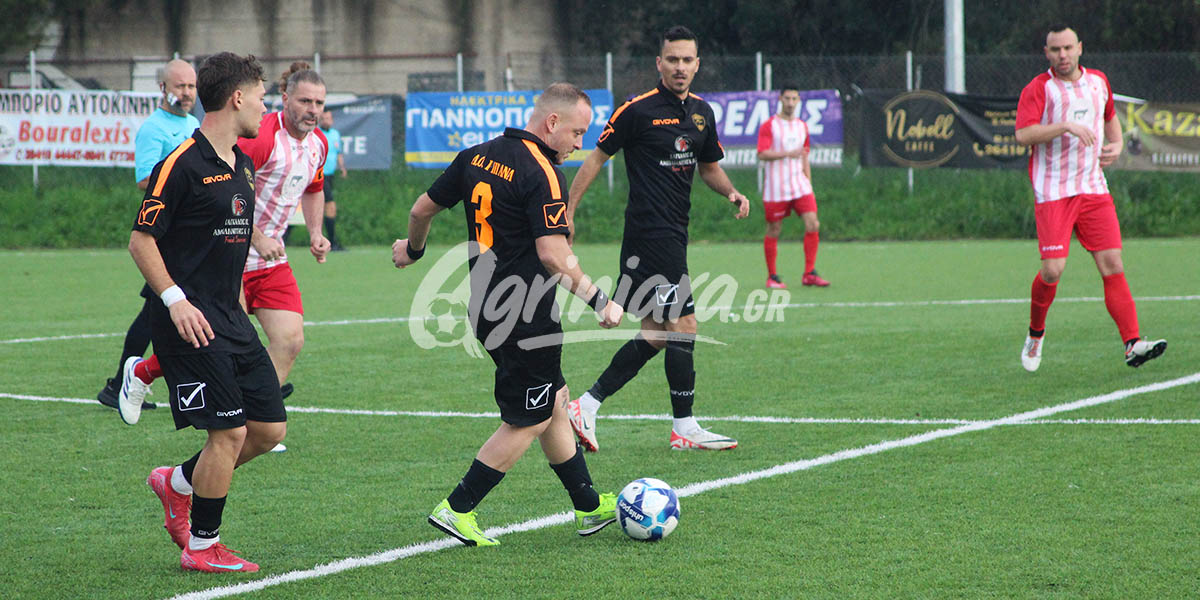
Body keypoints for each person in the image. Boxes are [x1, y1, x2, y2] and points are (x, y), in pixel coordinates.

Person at [393, 83, 624, 546]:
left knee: (553, 401)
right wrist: (600, 300)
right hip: (525, 316)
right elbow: (553, 254)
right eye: (577, 132)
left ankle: (587, 505)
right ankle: (457, 508)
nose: (579, 144)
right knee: (528, 418)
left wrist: (413, 250)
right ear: (552, 123)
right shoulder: (543, 171)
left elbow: (420, 211)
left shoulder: (475, 155)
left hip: (485, 306)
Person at [119, 62, 332, 444]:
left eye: (319, 103)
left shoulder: (319, 145)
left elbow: (314, 190)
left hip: (271, 260)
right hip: (230, 255)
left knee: (289, 340)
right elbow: (227, 193)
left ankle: (257, 420)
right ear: (285, 99)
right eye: (305, 101)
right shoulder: (258, 139)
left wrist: (315, 233)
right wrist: (256, 237)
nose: (312, 110)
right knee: (215, 341)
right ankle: (156, 381)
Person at [564, 26, 749, 452]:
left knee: (658, 332)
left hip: (674, 233)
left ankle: (586, 405)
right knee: (684, 325)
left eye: (687, 60)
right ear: (659, 63)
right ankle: (684, 427)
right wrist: (568, 212)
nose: (679, 67)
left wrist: (732, 192)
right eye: (672, 59)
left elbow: (709, 168)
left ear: (697, 65)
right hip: (650, 235)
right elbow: (594, 160)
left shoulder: (702, 113)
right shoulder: (636, 111)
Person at [130, 51, 278, 573]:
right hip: (187, 322)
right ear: (237, 98)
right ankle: (201, 546)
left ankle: (176, 483)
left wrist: (240, 299)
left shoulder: (243, 163)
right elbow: (141, 240)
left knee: (268, 430)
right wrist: (175, 300)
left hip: (231, 318)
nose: (265, 107)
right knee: (229, 433)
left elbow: (227, 241)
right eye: (261, 97)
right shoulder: (181, 164)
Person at [1014, 25, 1166, 371]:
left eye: (1068, 48)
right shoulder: (1039, 89)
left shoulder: (1098, 82)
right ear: (1046, 53)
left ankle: (1132, 344)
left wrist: (1116, 144)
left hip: (1093, 188)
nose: (1062, 55)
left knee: (1113, 263)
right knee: (1052, 270)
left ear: (1080, 47)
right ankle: (1036, 333)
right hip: (1054, 191)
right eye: (1055, 50)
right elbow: (1023, 134)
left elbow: (1110, 119)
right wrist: (1065, 126)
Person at [97, 59, 198, 412]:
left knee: (158, 311)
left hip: (189, 231)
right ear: (163, 89)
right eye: (180, 86)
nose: (186, 93)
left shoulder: (193, 124)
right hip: (166, 232)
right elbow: (144, 179)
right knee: (156, 312)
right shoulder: (154, 128)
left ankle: (122, 383)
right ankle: (121, 383)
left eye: (191, 86)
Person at [756, 84, 829, 289]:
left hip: (800, 185)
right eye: (787, 98)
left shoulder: (802, 126)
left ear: (798, 100)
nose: (790, 103)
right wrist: (787, 153)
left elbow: (804, 156)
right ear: (780, 99)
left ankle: (809, 273)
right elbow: (762, 153)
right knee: (774, 229)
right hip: (776, 187)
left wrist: (809, 183)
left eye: (794, 99)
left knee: (813, 224)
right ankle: (772, 276)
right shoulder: (769, 126)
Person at [319, 109, 348, 250]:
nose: (326, 121)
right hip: (319, 175)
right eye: (323, 118)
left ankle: (328, 241)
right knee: (330, 206)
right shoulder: (316, 134)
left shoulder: (335, 134)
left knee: (322, 207)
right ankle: (332, 242)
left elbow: (338, 153)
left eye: (328, 118)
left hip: (330, 175)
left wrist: (342, 167)